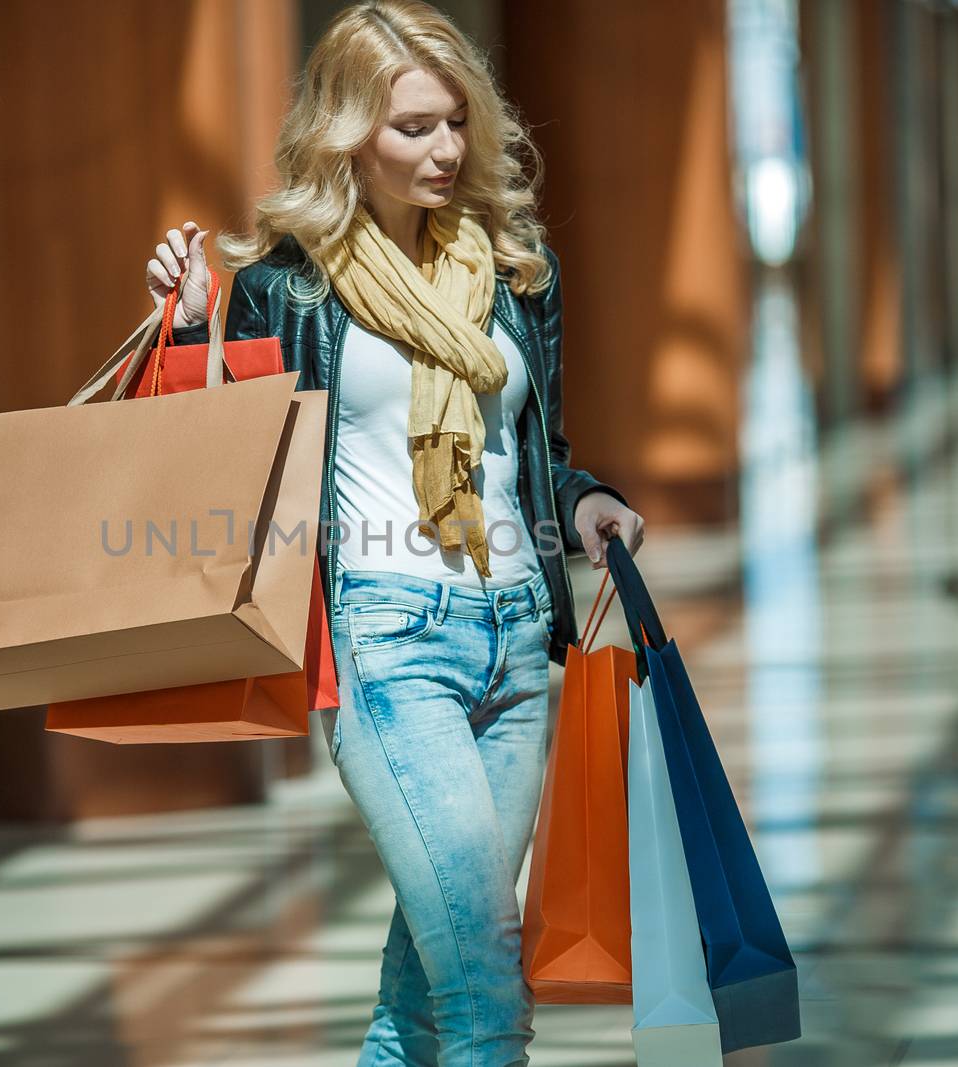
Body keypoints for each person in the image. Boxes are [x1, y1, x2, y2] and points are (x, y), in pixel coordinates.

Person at [145, 2, 644, 1063]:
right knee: (483, 976)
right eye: (412, 126)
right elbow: (223, 452)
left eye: (455, 120)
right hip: (389, 638)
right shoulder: (287, 287)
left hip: (517, 641)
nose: (447, 149)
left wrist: (586, 496)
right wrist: (196, 327)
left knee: (422, 992)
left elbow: (532, 445)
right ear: (345, 132)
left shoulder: (509, 266)